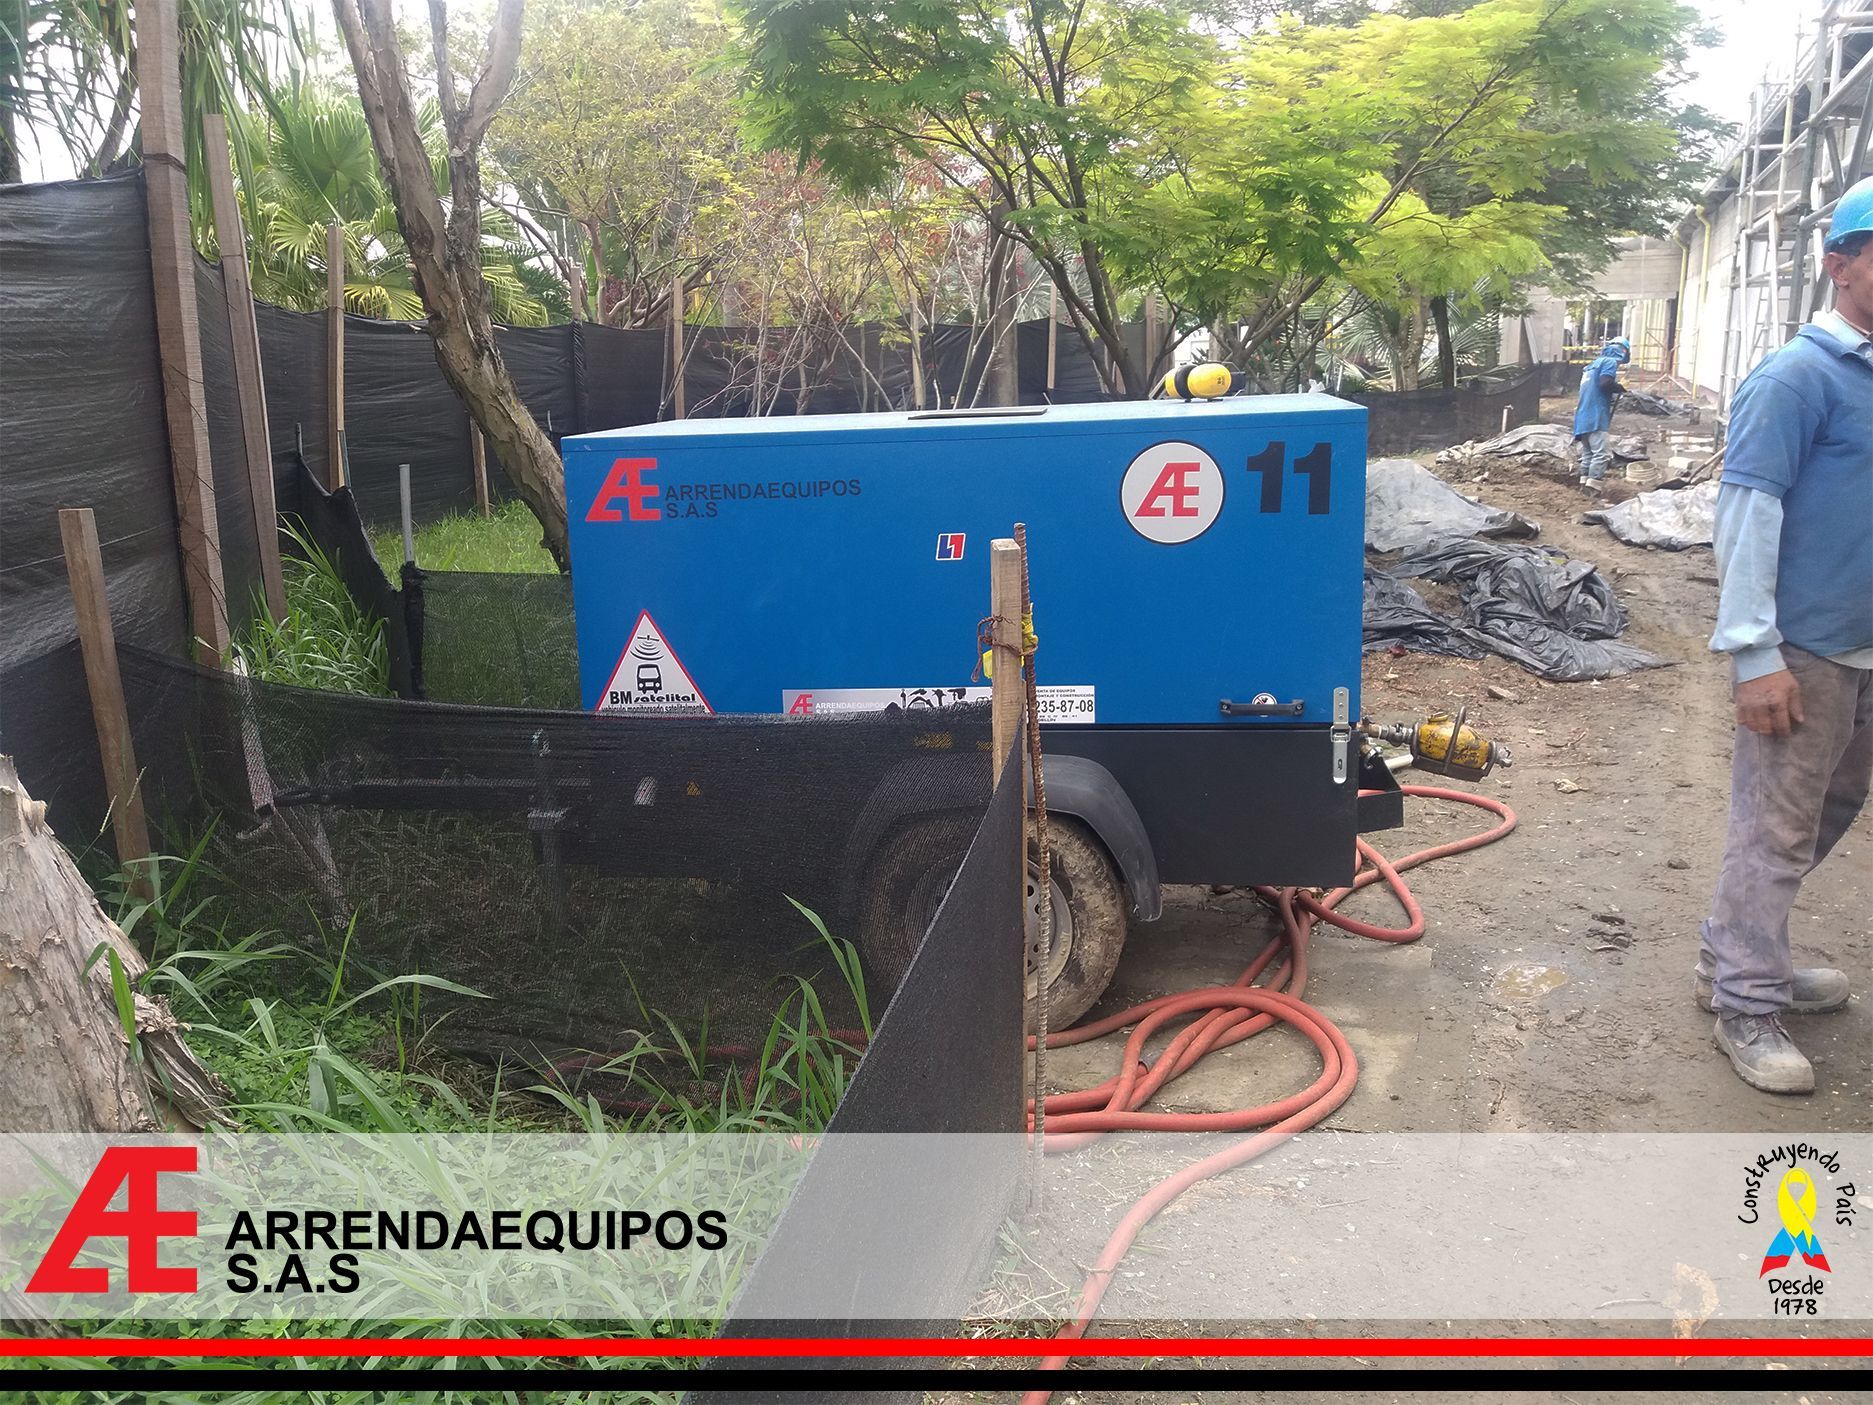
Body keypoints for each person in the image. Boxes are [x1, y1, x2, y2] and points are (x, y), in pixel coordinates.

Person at [1699, 173, 1873, 1095]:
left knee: (1824, 816)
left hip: (1864, 645)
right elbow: (1747, 512)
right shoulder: (1795, 377)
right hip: (1803, 650)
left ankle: (1737, 951)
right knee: (1773, 830)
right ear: (1839, 263)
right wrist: (1753, 653)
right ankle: (1743, 999)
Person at [1571, 334, 1631, 495]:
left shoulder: (1591, 366)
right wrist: (1620, 387)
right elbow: (1605, 383)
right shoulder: (1609, 362)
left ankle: (1583, 486)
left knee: (1588, 454)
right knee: (1601, 454)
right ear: (1623, 352)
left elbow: (1595, 388)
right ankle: (1593, 490)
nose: (1619, 365)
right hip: (1596, 415)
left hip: (1582, 416)